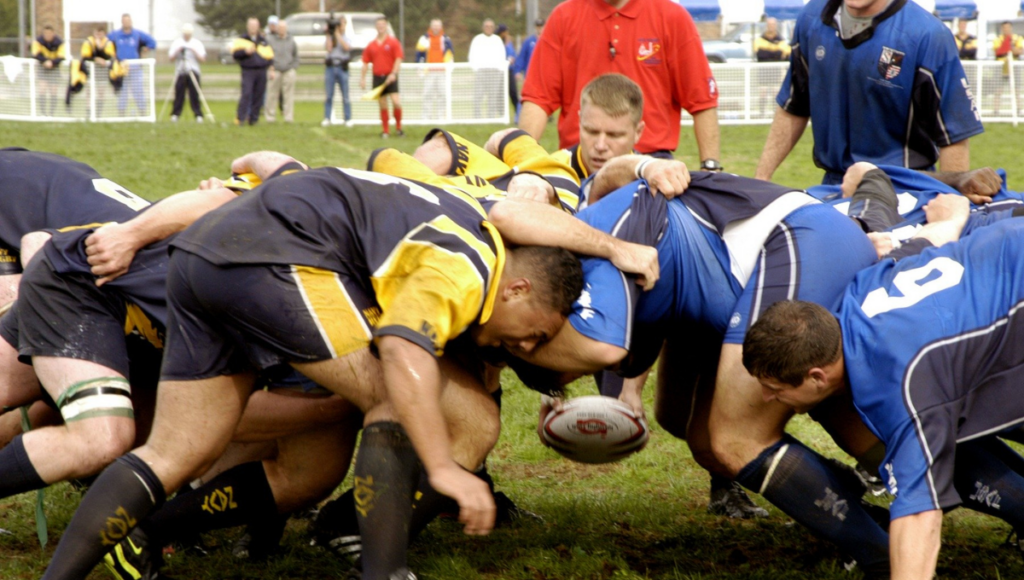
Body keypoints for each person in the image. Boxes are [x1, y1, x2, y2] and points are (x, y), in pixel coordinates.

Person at [35, 154, 662, 580]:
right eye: (536, 336)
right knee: (396, 396)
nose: (527, 348)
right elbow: (401, 348)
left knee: (171, 456)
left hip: (203, 257)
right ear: (519, 290)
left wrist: (613, 248)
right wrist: (443, 467)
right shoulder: (467, 263)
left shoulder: (470, 217)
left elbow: (517, 216)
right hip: (275, 260)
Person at [742, 216, 1024, 580]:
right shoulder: (859, 293)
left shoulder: (902, 385)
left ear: (816, 376)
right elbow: (926, 241)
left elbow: (920, 512)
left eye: (776, 389)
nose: (766, 398)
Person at [755, 0, 984, 185]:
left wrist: (948, 212)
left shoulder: (928, 36)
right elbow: (793, 106)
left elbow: (952, 136)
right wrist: (761, 180)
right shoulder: (812, 19)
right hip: (833, 188)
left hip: (903, 189)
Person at [519, 0, 721, 167]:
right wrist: (521, 164)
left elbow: (702, 100)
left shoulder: (671, 17)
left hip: (650, 162)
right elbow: (538, 98)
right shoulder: (564, 17)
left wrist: (710, 166)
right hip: (581, 159)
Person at [360, 16, 404, 138]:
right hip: (378, 77)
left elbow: (398, 58)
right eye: (379, 24)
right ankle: (386, 131)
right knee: (383, 103)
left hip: (390, 77)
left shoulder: (393, 42)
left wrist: (393, 73)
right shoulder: (371, 45)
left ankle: (399, 128)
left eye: (383, 24)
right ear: (376, 26)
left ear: (386, 26)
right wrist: (362, 78)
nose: (381, 27)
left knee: (396, 102)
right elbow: (365, 62)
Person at [108, 13, 156, 117]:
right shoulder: (116, 35)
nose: (126, 22)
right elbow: (105, 43)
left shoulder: (137, 34)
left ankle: (143, 113)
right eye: (124, 21)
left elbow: (152, 42)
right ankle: (121, 114)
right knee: (122, 92)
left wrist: (146, 48)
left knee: (138, 90)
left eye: (128, 20)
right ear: (122, 22)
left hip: (135, 67)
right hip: (121, 68)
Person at [232, 17, 274, 126]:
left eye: (255, 26)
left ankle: (254, 119)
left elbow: (270, 56)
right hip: (248, 71)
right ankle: (240, 118)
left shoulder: (263, 40)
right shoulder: (242, 39)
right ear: (247, 26)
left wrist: (271, 69)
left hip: (261, 71)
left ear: (258, 27)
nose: (253, 28)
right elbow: (235, 55)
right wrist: (245, 52)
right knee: (246, 93)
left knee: (258, 95)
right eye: (251, 25)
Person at [469, 19, 510, 120]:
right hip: (481, 72)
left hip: (495, 72)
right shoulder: (477, 39)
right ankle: (477, 118)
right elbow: (472, 55)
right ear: (483, 28)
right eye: (486, 26)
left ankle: (491, 118)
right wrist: (476, 69)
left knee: (493, 97)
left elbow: (502, 55)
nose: (488, 29)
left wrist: (500, 71)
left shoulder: (497, 40)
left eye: (491, 27)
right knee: (478, 96)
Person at [415, 18, 454, 121]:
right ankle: (426, 118)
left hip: (442, 71)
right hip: (429, 71)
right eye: (434, 25)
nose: (436, 27)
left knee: (442, 95)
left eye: (438, 25)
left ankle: (441, 117)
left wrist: (449, 68)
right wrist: (419, 68)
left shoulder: (446, 39)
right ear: (431, 26)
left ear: (441, 27)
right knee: (427, 94)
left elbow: (450, 54)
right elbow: (419, 55)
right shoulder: (424, 39)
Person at [167, 23, 206, 123]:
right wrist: (178, 51)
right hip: (181, 71)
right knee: (179, 94)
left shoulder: (197, 43)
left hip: (193, 70)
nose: (187, 35)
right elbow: (171, 58)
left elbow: (202, 59)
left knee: (194, 94)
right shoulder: (177, 43)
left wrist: (193, 51)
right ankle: (175, 114)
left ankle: (198, 114)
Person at [266, 20, 298, 123]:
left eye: (283, 28)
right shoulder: (270, 40)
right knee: (272, 94)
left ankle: (288, 117)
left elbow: (296, 55)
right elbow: (267, 55)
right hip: (274, 70)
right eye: (279, 27)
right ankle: (270, 117)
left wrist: (293, 68)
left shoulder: (291, 40)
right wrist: (270, 68)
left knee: (288, 96)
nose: (281, 30)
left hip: (288, 70)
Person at [323, 15, 353, 127]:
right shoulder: (331, 37)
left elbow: (346, 48)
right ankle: (327, 118)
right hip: (331, 67)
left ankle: (348, 118)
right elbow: (328, 48)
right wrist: (328, 35)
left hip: (342, 67)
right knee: (329, 95)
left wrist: (337, 34)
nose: (340, 26)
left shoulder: (347, 36)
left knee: (345, 95)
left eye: (341, 24)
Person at [31, 25, 64, 117]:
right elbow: (35, 54)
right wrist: (44, 61)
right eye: (45, 33)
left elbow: (61, 56)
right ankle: (43, 113)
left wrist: (52, 63)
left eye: (49, 33)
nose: (47, 35)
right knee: (42, 89)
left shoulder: (59, 42)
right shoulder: (38, 41)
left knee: (53, 91)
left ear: (53, 33)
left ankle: (51, 113)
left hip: (55, 68)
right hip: (43, 67)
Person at [992, 21, 1023, 116]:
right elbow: (997, 51)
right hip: (1000, 67)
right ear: (1002, 29)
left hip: (1013, 66)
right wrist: (1011, 49)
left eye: (1008, 27)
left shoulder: (1017, 38)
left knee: (1016, 89)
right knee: (998, 89)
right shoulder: (997, 39)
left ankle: (1018, 110)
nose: (1006, 29)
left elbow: (1020, 50)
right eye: (1004, 28)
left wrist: (1010, 49)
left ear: (1011, 28)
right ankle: (996, 111)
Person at [497, 24, 519, 121]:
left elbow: (513, 56)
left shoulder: (509, 42)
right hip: (499, 71)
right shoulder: (497, 42)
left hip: (509, 70)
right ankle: (500, 116)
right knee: (499, 94)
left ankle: (518, 114)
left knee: (513, 93)